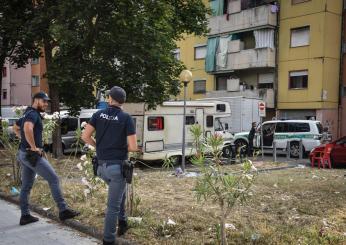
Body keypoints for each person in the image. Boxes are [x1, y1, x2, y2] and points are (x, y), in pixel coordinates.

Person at [13, 92, 80, 226]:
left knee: (26, 186)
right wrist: (33, 147)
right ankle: (63, 210)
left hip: (23, 153)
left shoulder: (28, 112)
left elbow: (15, 127)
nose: (46, 104)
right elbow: (27, 128)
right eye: (44, 101)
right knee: (54, 179)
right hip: (31, 155)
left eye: (47, 102)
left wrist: (24, 141)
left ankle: (25, 215)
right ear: (36, 100)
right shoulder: (32, 114)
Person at [82, 86, 138, 245]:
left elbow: (85, 136)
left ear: (110, 99)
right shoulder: (126, 118)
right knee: (112, 206)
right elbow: (133, 147)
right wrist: (119, 148)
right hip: (117, 168)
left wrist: (99, 147)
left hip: (100, 168)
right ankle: (108, 239)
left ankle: (123, 222)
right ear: (123, 102)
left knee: (119, 194)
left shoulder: (98, 114)